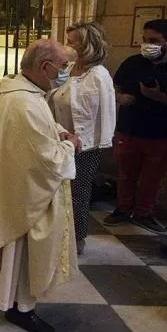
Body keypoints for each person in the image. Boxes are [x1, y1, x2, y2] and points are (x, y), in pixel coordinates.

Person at [0, 39, 80, 332]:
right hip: (29, 194)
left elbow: (40, 132)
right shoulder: (25, 101)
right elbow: (47, 160)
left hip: (18, 188)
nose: (65, 71)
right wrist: (69, 144)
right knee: (26, 251)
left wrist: (58, 131)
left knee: (17, 252)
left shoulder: (22, 93)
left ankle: (9, 296)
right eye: (63, 66)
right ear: (45, 67)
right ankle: (21, 308)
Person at [106, 19, 167, 233]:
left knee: (153, 177)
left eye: (154, 41)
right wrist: (120, 97)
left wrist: (157, 96)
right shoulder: (132, 62)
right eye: (144, 40)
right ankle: (123, 209)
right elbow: (115, 88)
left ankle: (144, 213)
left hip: (162, 132)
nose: (147, 45)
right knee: (125, 174)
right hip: (130, 128)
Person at [47, 22, 116, 253]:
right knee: (58, 190)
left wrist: (78, 139)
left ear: (87, 44)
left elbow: (94, 112)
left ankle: (77, 238)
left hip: (85, 146)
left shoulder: (98, 75)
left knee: (78, 192)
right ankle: (57, 233)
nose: (68, 46)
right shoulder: (72, 68)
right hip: (62, 139)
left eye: (73, 41)